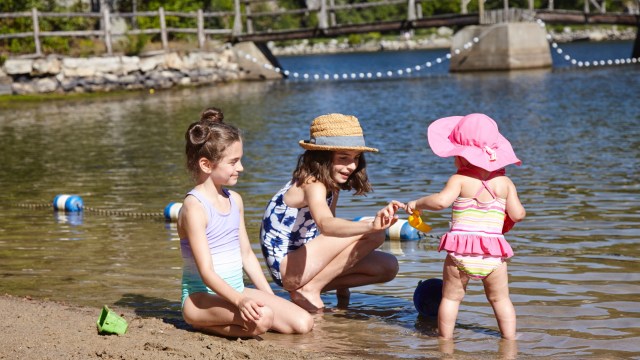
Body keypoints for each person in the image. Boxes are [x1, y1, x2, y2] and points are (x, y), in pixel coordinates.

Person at [178, 107, 314, 338]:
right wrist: (241, 301)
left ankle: (242, 318)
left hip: (236, 291)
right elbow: (206, 272)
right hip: (200, 299)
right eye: (234, 162)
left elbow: (247, 256)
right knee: (264, 318)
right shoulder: (194, 207)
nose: (241, 168)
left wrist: (269, 295)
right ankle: (202, 324)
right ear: (206, 165)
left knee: (303, 323)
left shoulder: (235, 200)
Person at [260, 113, 401, 313]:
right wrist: (370, 226)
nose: (352, 166)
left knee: (388, 266)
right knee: (374, 232)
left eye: (356, 158)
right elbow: (326, 225)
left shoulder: (330, 187)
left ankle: (309, 289)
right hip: (287, 268)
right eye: (343, 158)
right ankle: (310, 289)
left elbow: (330, 233)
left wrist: (343, 293)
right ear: (322, 158)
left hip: (306, 263)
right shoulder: (312, 183)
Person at [405, 113, 526, 340]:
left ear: (461, 157)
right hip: (493, 253)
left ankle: (445, 343)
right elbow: (518, 215)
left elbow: (440, 202)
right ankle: (510, 343)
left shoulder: (459, 180)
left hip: (461, 251)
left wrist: (417, 203)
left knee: (451, 298)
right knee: (500, 299)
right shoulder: (506, 183)